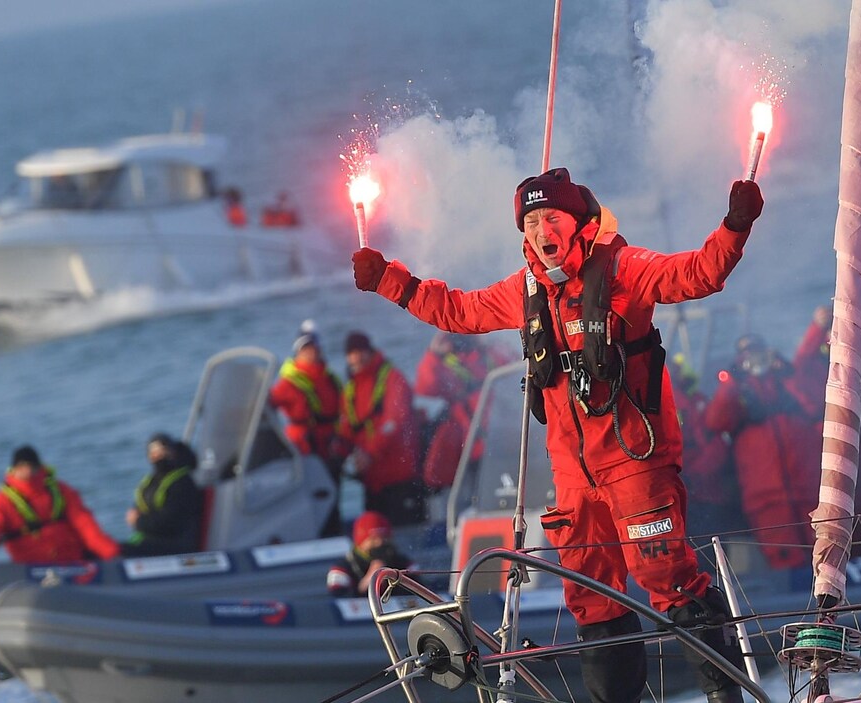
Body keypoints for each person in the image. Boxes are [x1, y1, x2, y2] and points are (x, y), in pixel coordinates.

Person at [350, 167, 763, 703]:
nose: (542, 229)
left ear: (578, 222)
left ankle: (726, 696)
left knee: (670, 579)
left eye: (552, 217)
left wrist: (735, 223)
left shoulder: (624, 267)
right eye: (532, 220)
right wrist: (389, 279)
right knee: (592, 600)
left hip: (634, 459)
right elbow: (456, 310)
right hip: (573, 475)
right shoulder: (523, 291)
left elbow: (699, 273)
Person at [705, 334, 822, 570]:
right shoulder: (737, 393)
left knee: (823, 555)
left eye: (758, 351)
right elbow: (715, 421)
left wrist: (785, 371)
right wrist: (733, 382)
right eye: (747, 354)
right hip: (767, 500)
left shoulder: (785, 382)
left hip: (808, 492)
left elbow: (814, 404)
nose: (754, 359)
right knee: (786, 563)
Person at [791, 305, 861, 553]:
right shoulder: (816, 370)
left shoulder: (860, 373)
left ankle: (860, 557)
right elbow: (801, 361)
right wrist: (817, 326)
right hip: (836, 450)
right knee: (838, 508)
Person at [0, 446, 120, 563]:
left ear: (40, 467)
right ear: (13, 470)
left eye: (31, 466)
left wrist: (112, 555)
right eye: (21, 467)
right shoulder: (1, 503)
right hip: (32, 572)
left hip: (73, 564)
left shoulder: (61, 491)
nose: (27, 471)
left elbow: (86, 527)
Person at [336, 331, 426, 526]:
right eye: (351, 353)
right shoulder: (351, 389)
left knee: (406, 535)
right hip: (372, 481)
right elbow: (347, 428)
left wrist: (369, 453)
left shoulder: (393, 379)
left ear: (369, 352)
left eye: (360, 352)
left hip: (400, 478)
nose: (356, 358)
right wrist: (338, 454)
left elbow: (394, 422)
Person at [268, 319, 346, 535]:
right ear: (297, 352)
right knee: (313, 500)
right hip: (305, 450)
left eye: (313, 346)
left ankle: (334, 536)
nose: (310, 352)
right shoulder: (288, 382)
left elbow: (343, 410)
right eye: (305, 348)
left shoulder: (330, 378)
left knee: (333, 498)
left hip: (330, 448)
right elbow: (266, 404)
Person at [413, 331, 496, 492]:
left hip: (500, 439)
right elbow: (426, 387)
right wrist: (433, 354)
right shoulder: (445, 364)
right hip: (469, 446)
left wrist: (485, 339)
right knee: (474, 494)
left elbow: (517, 369)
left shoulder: (490, 353)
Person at [668, 352, 738, 539]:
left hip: (704, 494)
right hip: (686, 495)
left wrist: (696, 476)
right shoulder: (687, 401)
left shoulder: (695, 400)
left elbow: (715, 442)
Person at [122, 433, 204, 557]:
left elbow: (170, 523)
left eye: (161, 450)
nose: (157, 455)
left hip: (176, 543)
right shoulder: (151, 482)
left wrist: (138, 521)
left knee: (123, 552)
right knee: (113, 550)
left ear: (172, 452)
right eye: (153, 451)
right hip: (151, 538)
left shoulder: (182, 483)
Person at [326, 510, 419, 598]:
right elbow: (338, 599)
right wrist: (368, 582)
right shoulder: (342, 568)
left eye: (384, 538)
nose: (379, 543)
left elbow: (420, 592)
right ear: (361, 542)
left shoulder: (403, 564)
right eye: (373, 539)